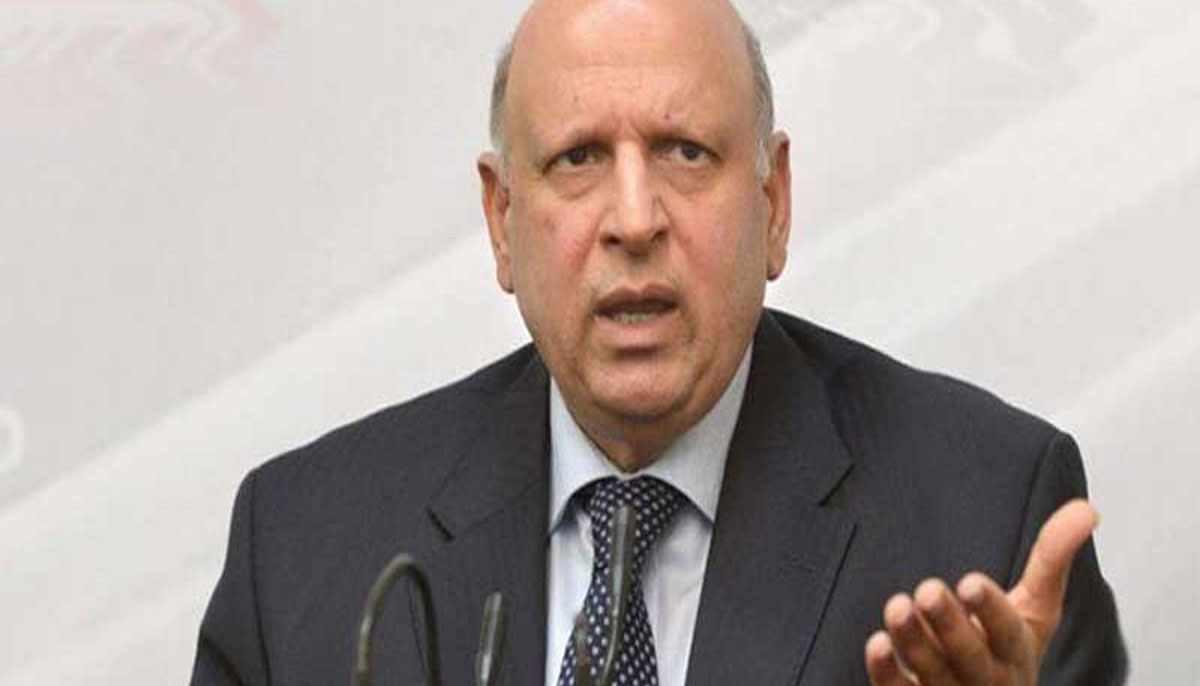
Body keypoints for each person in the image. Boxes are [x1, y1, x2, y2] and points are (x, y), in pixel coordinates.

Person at [190, 0, 1126, 684]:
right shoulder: (302, 549)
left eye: (685, 152)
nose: (635, 220)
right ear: (502, 220)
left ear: (774, 203)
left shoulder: (989, 522)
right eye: (578, 158)